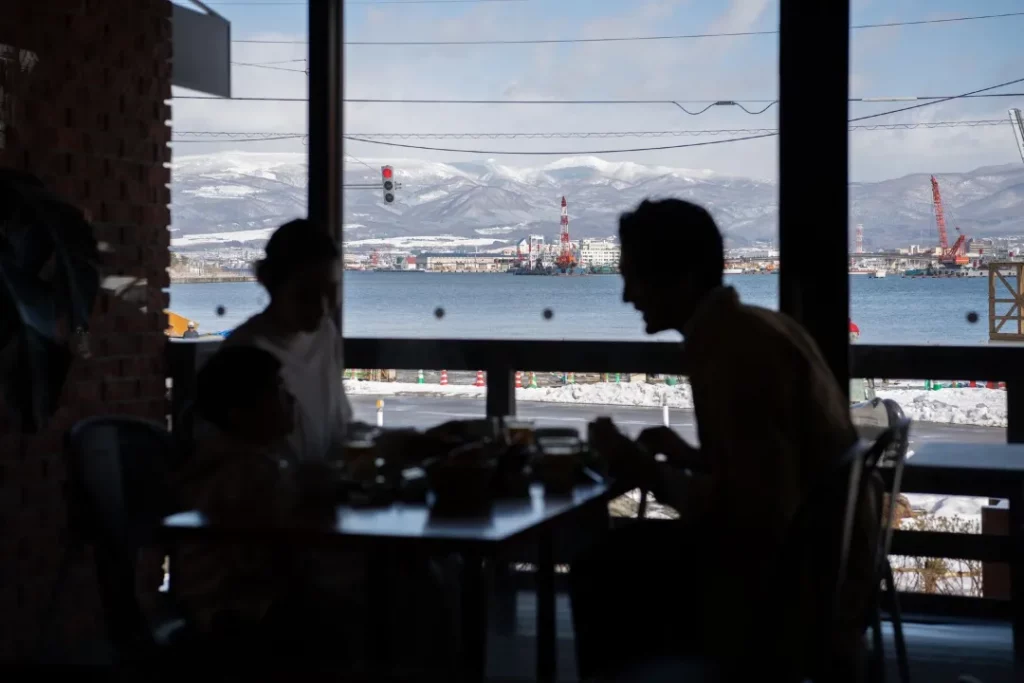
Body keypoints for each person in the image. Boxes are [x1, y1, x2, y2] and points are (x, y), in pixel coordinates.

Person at [572, 199, 879, 681]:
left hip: (785, 591)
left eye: (635, 277)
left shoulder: (732, 351)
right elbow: (768, 470)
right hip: (832, 570)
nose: (627, 297)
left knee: (603, 570)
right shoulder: (760, 326)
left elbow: (751, 514)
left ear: (684, 277)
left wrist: (644, 468)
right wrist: (691, 456)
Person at [173, 345, 349, 659]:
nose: (291, 400)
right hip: (238, 618)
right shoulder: (247, 473)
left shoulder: (235, 459)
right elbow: (273, 556)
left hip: (221, 606)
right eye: (278, 391)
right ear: (240, 415)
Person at [223, 218, 353, 462]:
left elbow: (337, 431)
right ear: (273, 285)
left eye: (331, 291)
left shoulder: (325, 334)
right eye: (307, 294)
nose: (323, 307)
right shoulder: (245, 353)